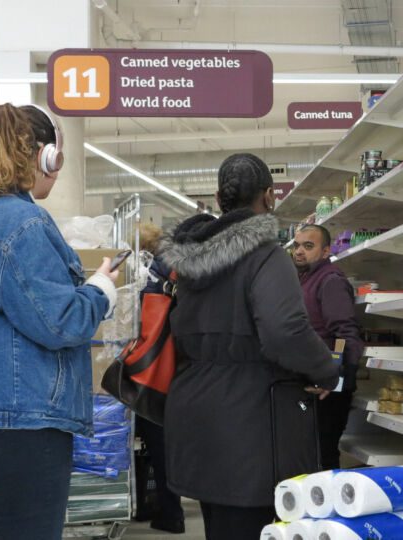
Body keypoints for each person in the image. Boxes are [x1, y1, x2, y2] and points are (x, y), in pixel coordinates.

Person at [0, 103, 119, 539]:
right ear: (45, 156)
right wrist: (100, 290)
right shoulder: (25, 222)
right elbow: (61, 324)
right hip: (16, 425)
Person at [161, 153, 339, 539]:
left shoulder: (192, 260)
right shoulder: (265, 255)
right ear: (270, 197)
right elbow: (284, 331)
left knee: (220, 526)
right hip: (251, 419)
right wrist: (326, 369)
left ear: (219, 198)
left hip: (195, 410)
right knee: (255, 527)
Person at [292, 224, 364, 469]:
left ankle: (326, 507)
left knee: (322, 458)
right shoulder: (305, 279)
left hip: (327, 390)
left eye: (308, 246)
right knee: (308, 456)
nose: (299, 251)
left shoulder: (330, 280)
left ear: (325, 251)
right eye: (297, 245)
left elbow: (344, 333)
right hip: (312, 387)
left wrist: (337, 378)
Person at [134, 222, 185, 534]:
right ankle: (167, 508)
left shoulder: (159, 271)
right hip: (175, 365)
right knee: (163, 441)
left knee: (159, 440)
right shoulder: (174, 266)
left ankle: (170, 511)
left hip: (157, 366)